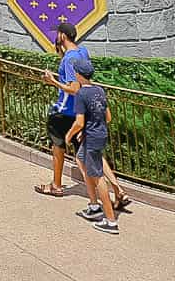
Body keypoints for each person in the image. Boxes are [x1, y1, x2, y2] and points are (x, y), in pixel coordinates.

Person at [66, 56, 119, 234]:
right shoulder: (99, 90)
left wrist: (70, 134)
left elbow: (79, 122)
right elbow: (108, 117)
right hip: (98, 134)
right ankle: (94, 205)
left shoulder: (81, 94)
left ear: (78, 75)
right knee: (80, 159)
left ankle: (110, 220)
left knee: (98, 177)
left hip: (93, 138)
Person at [38, 22, 89, 198]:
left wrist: (52, 81)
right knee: (88, 152)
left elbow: (73, 88)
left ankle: (56, 185)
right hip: (81, 110)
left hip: (64, 111)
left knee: (58, 147)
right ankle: (116, 189)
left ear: (63, 36)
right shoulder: (82, 52)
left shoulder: (69, 59)